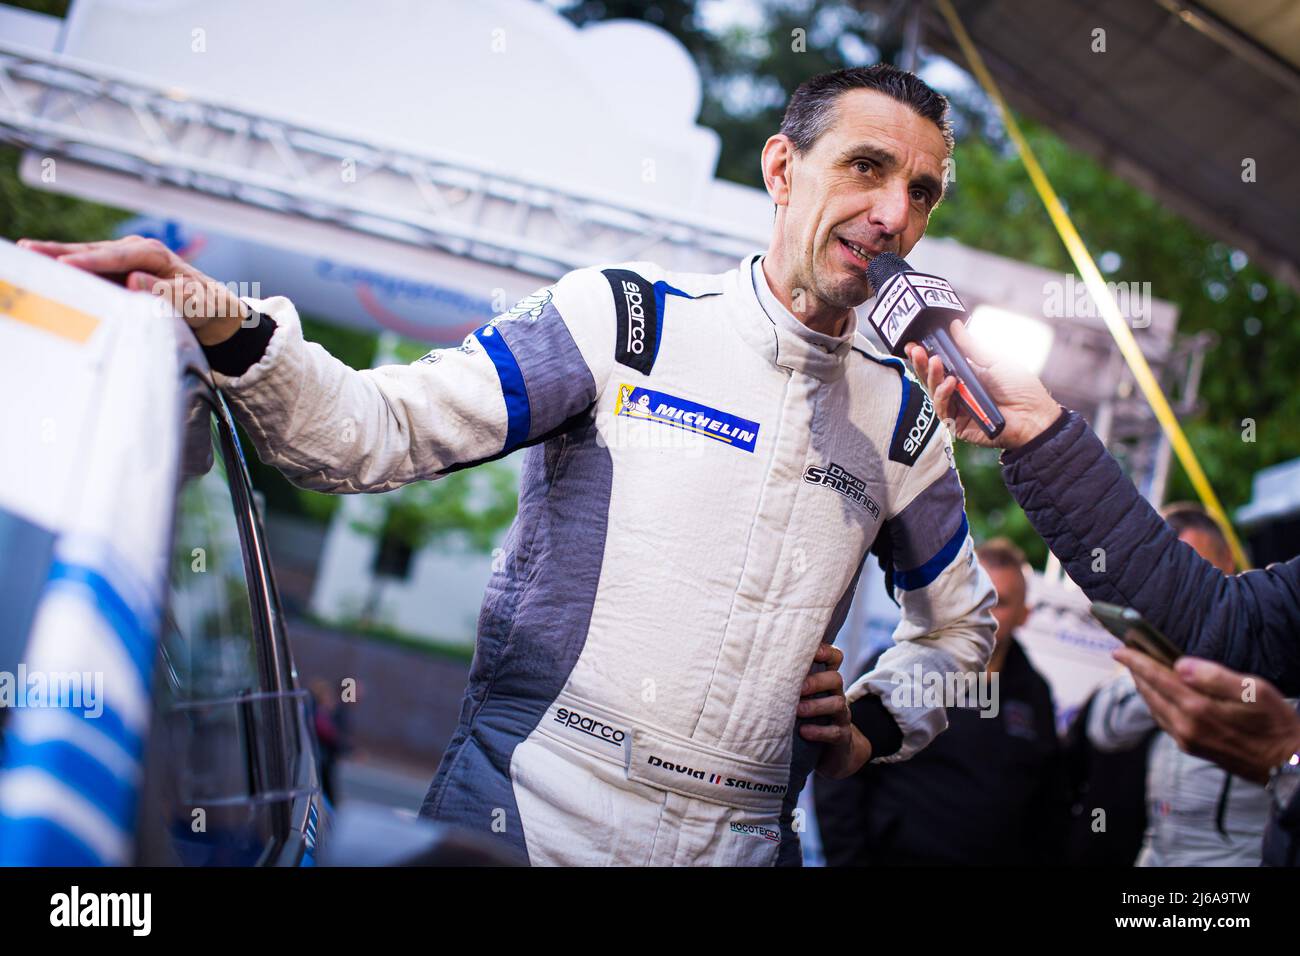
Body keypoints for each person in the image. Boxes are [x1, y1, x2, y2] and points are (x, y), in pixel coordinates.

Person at [24, 64, 996, 866]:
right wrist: (225, 321)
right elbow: (376, 430)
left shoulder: (908, 416)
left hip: (744, 842)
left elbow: (961, 631)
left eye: (920, 191)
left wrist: (871, 717)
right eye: (865, 167)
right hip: (522, 821)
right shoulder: (628, 320)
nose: (892, 214)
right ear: (782, 167)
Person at [904, 321, 1300, 866]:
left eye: (1003, 598)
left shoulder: (1030, 691)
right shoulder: (913, 666)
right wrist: (1036, 431)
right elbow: (1222, 623)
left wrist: (1289, 762)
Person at [814, 538, 1069, 865]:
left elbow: (1048, 799)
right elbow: (839, 769)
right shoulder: (901, 671)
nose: (987, 615)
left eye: (1001, 602)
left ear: (1025, 615)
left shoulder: (1034, 693)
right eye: (980, 599)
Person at [1088, 504, 1272, 866]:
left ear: (1228, 563)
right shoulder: (1156, 640)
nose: (1184, 589)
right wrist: (1171, 662)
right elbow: (1105, 728)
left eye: (1197, 570)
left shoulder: (1266, 639)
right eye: (1169, 575)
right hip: (1159, 850)